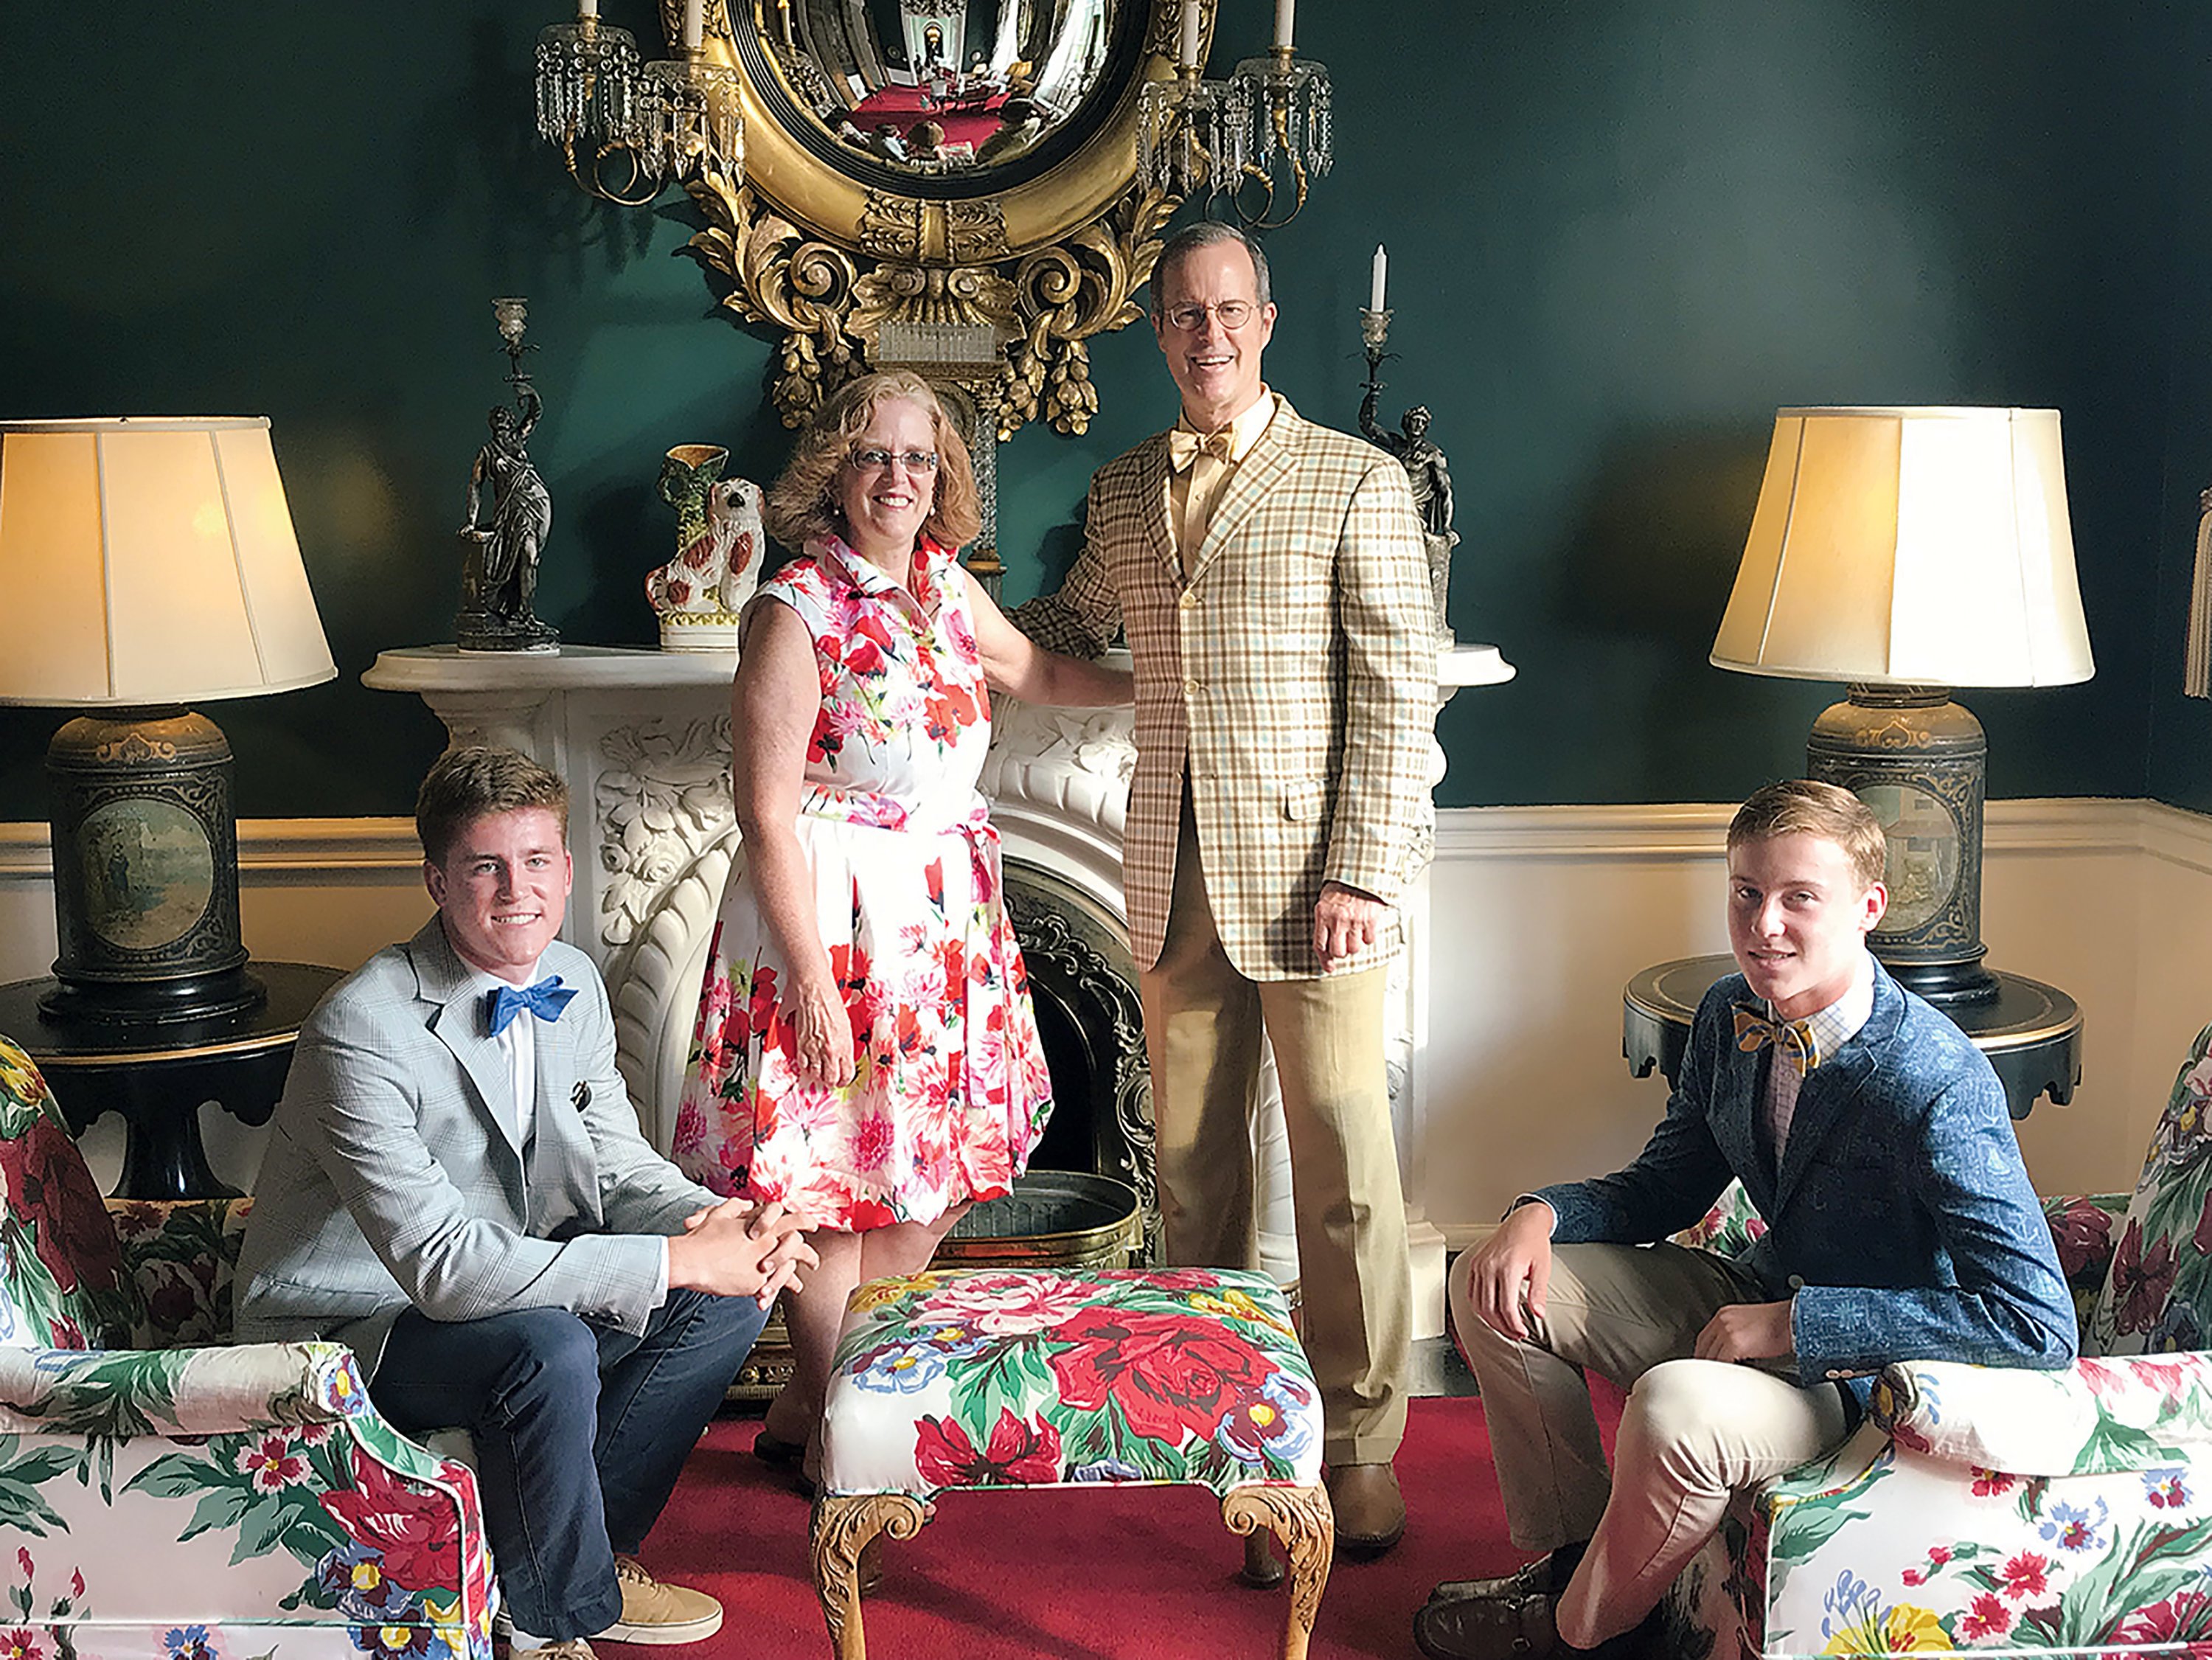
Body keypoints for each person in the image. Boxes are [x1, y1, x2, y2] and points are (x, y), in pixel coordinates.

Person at [1414, 780, 2079, 1660]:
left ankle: (1580, 1637)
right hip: (1754, 1294)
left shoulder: (1938, 1079)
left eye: (1800, 897)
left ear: (1868, 906)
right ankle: (1576, 1560)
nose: (1765, 923)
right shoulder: (1733, 1014)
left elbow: (2036, 1321)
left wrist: (1797, 1324)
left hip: (1866, 1382)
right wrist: (1539, 1212)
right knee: (1492, 1279)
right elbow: (1665, 1188)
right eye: (1747, 892)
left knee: (1671, 1406)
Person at [1015, 220, 1436, 1554]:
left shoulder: (1355, 481)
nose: (1208, 334)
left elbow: (1396, 689)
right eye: (1185, 315)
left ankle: (1360, 1448)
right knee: (1192, 1178)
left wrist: (1362, 871)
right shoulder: (1129, 487)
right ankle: (1225, 1431)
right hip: (1167, 875)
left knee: (1344, 1173)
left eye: (1230, 310)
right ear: (1159, 332)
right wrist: (929, 612)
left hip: (1320, 885)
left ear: (1264, 320)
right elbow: (1068, 630)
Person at [237, 746, 817, 1660]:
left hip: (496, 1281)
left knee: (727, 1297)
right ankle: (549, 1620)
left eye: (537, 860)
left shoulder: (573, 979)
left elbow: (618, 1161)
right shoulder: (363, 1028)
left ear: (567, 868)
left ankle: (586, 1561)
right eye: (486, 867)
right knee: (550, 1341)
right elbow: (443, 1269)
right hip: (353, 1319)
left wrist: (721, 1225)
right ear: (438, 880)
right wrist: (673, 1259)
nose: (519, 890)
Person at [672, 369, 1131, 1489]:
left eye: (919, 457)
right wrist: (814, 984)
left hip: (942, 923)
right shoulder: (794, 608)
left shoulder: (945, 589)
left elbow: (1043, 670)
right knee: (832, 1193)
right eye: (874, 454)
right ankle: (848, 1435)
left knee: (926, 1184)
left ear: (945, 477)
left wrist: (1167, 684)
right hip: (831, 926)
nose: (896, 476)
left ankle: (804, 1401)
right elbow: (764, 813)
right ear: (834, 469)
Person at [459, 389, 557, 650]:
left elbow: (535, 415)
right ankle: (523, 613)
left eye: (506, 416)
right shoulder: (488, 453)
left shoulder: (518, 439)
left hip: (535, 503)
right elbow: (475, 486)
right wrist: (471, 520)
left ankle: (526, 614)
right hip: (510, 514)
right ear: (492, 424)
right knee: (527, 555)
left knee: (532, 558)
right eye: (497, 417)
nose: (502, 419)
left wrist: (531, 394)